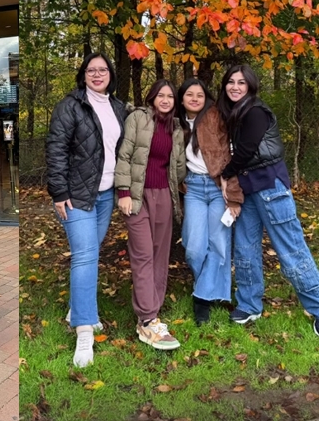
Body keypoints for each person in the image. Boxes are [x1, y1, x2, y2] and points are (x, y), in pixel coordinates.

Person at [218, 64, 319, 333]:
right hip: (249, 190)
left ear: (250, 85)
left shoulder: (256, 112)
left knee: (291, 249)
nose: (235, 87)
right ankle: (250, 305)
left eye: (241, 82)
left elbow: (248, 150)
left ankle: (318, 306)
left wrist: (226, 174)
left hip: (270, 187)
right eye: (230, 82)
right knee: (245, 249)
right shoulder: (237, 114)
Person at [45, 53, 127, 367]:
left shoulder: (118, 108)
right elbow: (56, 149)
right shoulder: (70, 106)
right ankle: (84, 332)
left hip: (105, 195)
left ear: (110, 74)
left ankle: (76, 307)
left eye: (102, 69)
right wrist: (59, 191)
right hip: (75, 195)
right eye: (91, 70)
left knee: (91, 253)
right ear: (84, 74)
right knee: (85, 255)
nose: (97, 74)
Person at [115, 80, 186, 350]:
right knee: (143, 252)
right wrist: (123, 192)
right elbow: (125, 154)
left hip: (164, 196)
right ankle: (147, 320)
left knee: (159, 253)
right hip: (137, 196)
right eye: (161, 95)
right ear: (152, 97)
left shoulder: (177, 128)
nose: (166, 100)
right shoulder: (138, 118)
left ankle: (152, 310)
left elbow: (177, 167)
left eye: (170, 96)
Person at [176, 78, 242, 325]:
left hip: (217, 187)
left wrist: (233, 195)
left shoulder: (216, 118)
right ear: (181, 99)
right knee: (193, 246)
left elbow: (230, 154)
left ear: (206, 99)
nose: (195, 98)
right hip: (192, 187)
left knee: (219, 243)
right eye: (189, 94)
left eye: (200, 95)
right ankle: (207, 286)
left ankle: (202, 299)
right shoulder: (176, 124)